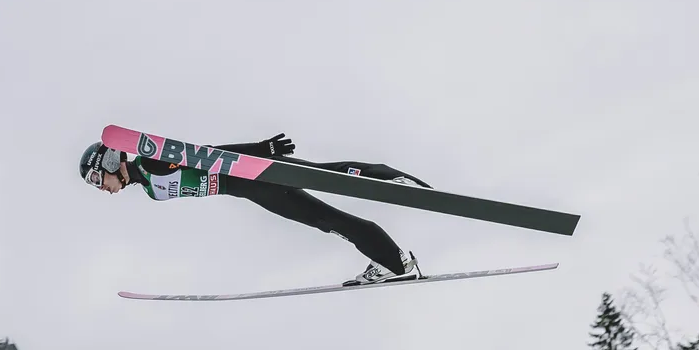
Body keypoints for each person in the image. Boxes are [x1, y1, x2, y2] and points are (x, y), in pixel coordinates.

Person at [78, 133, 433, 285]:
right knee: (327, 220)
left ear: (109, 160)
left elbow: (206, 152)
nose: (102, 189)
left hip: (251, 171)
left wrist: (262, 149)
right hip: (249, 191)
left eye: (97, 179)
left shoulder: (152, 163)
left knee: (328, 175)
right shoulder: (149, 189)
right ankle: (393, 261)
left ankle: (393, 180)